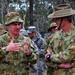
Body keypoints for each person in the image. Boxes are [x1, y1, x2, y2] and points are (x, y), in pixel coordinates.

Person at [44, 3, 75, 75]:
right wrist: (59, 65)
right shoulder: (55, 35)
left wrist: (50, 57)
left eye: (57, 18)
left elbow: (68, 55)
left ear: (64, 19)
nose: (54, 21)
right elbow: (46, 56)